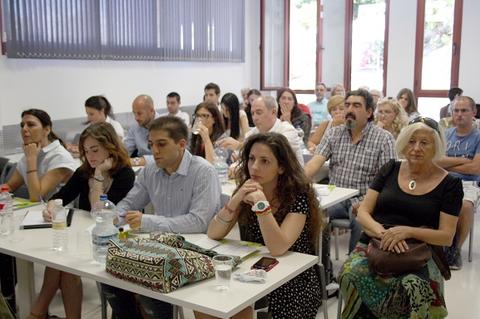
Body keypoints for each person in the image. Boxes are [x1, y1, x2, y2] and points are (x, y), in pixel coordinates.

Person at [339, 117, 463, 319]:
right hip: (377, 240)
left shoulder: (450, 184)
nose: (416, 148)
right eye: (411, 141)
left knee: (414, 287)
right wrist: (386, 235)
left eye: (424, 143)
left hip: (419, 248)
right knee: (350, 274)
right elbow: (363, 212)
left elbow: (446, 236)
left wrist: (408, 231)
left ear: (436, 147)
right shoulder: (390, 169)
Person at [102, 116, 221, 318]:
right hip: (160, 247)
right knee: (111, 278)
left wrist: (147, 221)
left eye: (161, 144)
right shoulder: (151, 170)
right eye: (151, 144)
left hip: (194, 250)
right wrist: (113, 217)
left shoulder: (203, 172)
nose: (154, 150)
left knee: (150, 286)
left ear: (181, 144)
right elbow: (130, 203)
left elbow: (199, 223)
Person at [196, 133, 322, 319]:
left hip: (293, 280)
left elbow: (278, 247)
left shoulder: (298, 195)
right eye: (251, 159)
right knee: (207, 305)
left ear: (281, 167)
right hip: (254, 271)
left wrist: (262, 205)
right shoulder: (248, 190)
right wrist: (236, 199)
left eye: (265, 161)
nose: (254, 167)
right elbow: (213, 233)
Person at [27, 122, 135, 319]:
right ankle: (46, 313)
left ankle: (37, 312)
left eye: (95, 150)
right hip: (85, 235)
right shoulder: (84, 171)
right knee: (63, 264)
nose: (90, 156)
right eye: (86, 151)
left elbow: (99, 212)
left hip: (113, 239)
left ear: (110, 147)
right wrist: (51, 206)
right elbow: (61, 196)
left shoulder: (125, 174)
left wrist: (99, 176)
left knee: (63, 263)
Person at [305, 89, 396, 280]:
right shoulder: (334, 134)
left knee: (360, 221)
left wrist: (367, 203)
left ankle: (352, 274)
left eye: (356, 106)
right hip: (335, 198)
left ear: (369, 112)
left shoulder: (383, 138)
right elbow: (315, 163)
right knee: (311, 215)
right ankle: (324, 274)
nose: (349, 110)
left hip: (365, 199)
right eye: (347, 105)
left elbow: (389, 182)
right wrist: (295, 180)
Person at [436, 96, 479, 270]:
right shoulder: (446, 135)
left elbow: (475, 168)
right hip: (443, 181)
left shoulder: (477, 137)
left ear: (474, 113)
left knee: (466, 206)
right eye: (456, 111)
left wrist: (449, 162)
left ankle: (455, 250)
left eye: (464, 110)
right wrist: (464, 160)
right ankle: (434, 244)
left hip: (468, 184)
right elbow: (435, 162)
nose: (459, 114)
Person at [2, 109, 77, 201]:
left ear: (47, 130)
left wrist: (31, 160)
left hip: (60, 212)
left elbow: (36, 197)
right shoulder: (30, 154)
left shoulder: (60, 157)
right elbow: (10, 186)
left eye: (31, 125)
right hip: (39, 212)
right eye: (22, 125)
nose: (24, 129)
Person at [217, 96, 305, 166]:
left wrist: (239, 146)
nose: (255, 118)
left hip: (290, 183)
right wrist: (236, 165)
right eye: (252, 114)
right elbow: (241, 159)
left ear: (273, 112)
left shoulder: (287, 130)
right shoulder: (253, 133)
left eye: (259, 113)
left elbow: (272, 154)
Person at [124, 94, 160, 166]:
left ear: (151, 110)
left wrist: (138, 161)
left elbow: (168, 157)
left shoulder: (166, 125)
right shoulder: (134, 127)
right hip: (141, 169)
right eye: (134, 113)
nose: (136, 118)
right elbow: (125, 150)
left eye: (139, 113)